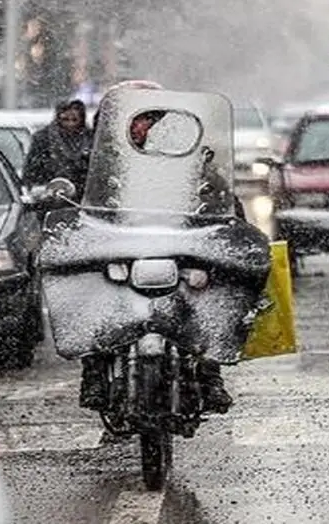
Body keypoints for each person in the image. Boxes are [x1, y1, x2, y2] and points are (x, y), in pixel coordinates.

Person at [79, 82, 250, 416]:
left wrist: (232, 217)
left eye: (152, 117)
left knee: (206, 296)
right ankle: (94, 372)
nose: (143, 126)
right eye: (138, 118)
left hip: (178, 247)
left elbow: (216, 192)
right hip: (118, 250)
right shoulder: (97, 159)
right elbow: (76, 203)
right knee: (91, 295)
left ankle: (209, 373)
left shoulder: (189, 157)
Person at [22, 99, 94, 199]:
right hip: (52, 197)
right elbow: (32, 170)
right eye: (65, 119)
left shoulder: (91, 138)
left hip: (84, 197)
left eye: (74, 120)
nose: (70, 124)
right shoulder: (44, 138)